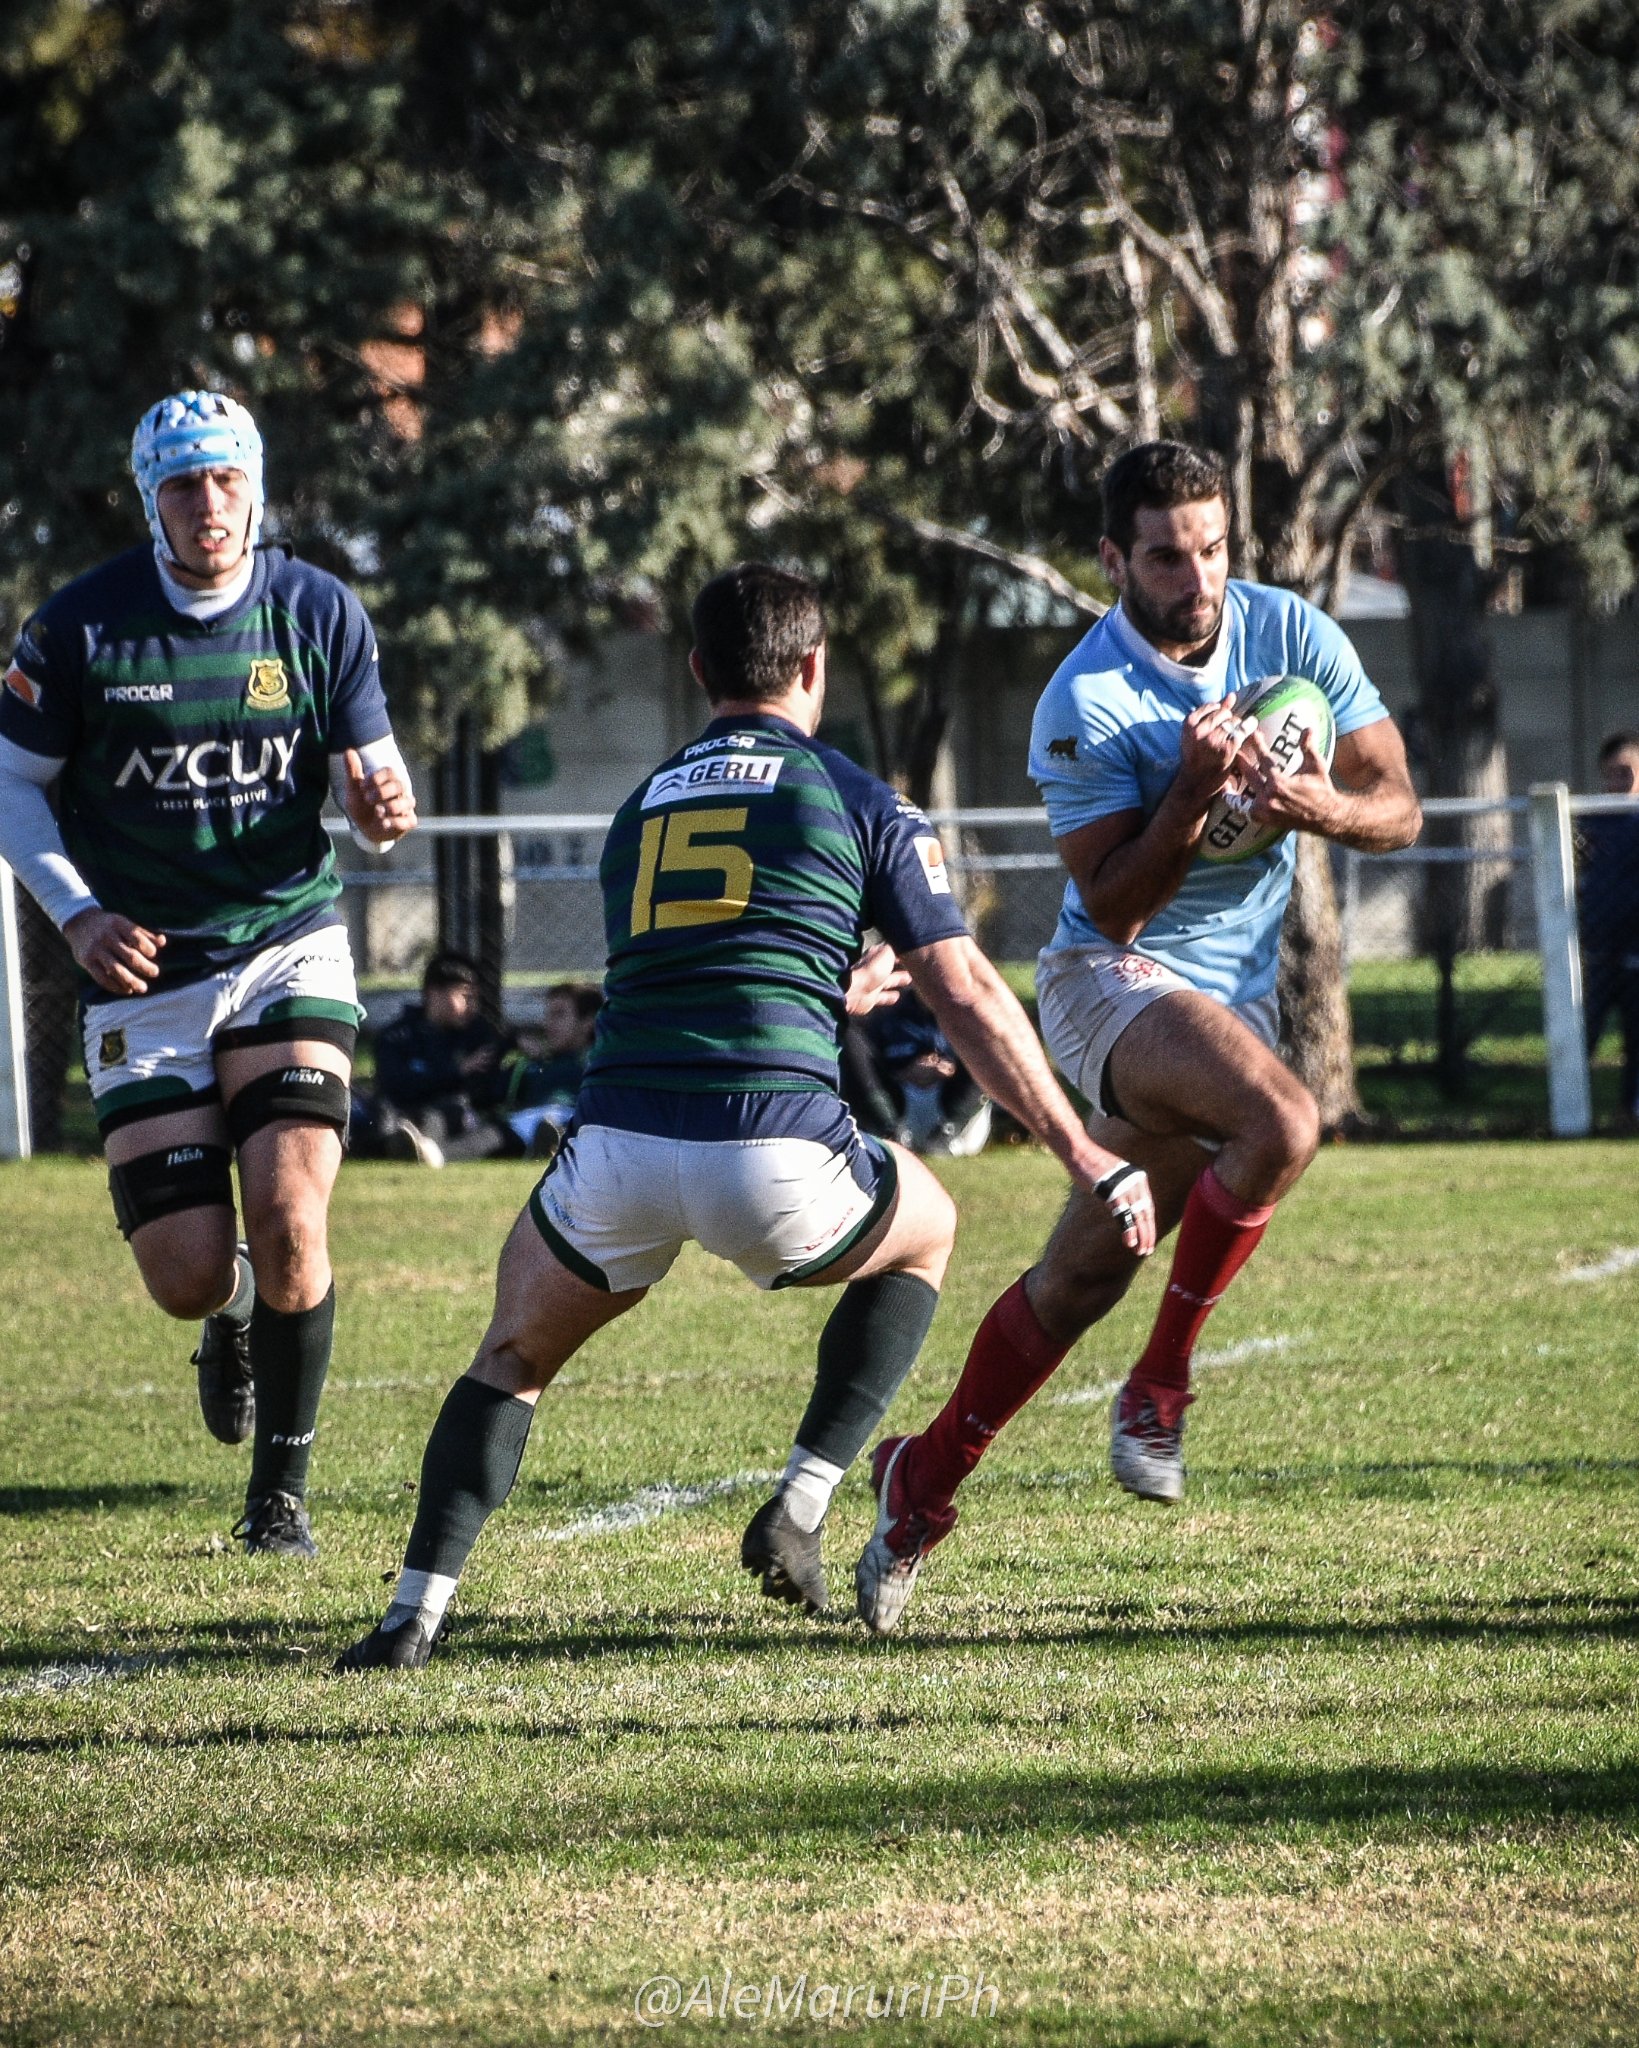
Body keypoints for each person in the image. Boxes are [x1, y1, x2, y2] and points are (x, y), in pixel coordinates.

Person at [335, 562, 1154, 1671]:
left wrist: (825, 989)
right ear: (814, 666)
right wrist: (1083, 1150)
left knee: (511, 1353)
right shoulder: (859, 797)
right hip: (773, 1154)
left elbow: (699, 971)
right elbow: (961, 988)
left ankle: (409, 1616)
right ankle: (805, 1503)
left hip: (615, 1143)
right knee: (929, 1222)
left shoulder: (645, 801)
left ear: (696, 670)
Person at [852, 439, 1421, 1634]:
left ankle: (922, 1482)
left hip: (1226, 1005)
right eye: (1165, 555)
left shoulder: (1293, 636)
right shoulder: (1085, 697)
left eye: (1211, 548)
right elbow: (1111, 901)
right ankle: (1158, 1390)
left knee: (1079, 1276)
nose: (1196, 575)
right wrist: (1189, 793)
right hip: (1104, 979)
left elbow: (1397, 803)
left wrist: (1317, 805)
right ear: (1114, 558)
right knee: (1284, 1118)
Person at [0, 390, 417, 1556]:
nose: (209, 503)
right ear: (151, 500)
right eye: (183, 483)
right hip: (146, 970)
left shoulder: (316, 608)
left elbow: (371, 782)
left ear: (257, 484)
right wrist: (76, 916)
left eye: (227, 478)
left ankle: (277, 1497)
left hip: (287, 940)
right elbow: (11, 778)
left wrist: (382, 807)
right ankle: (228, 1316)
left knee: (290, 1217)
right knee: (186, 1273)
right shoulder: (81, 626)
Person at [356, 949, 521, 1165]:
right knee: (380, 1116)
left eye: (474, 998)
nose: (472, 1006)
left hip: (451, 1118)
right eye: (464, 996)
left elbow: (485, 1089)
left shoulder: (478, 1035)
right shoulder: (397, 1036)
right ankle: (397, 1143)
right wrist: (456, 1072)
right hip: (402, 1112)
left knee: (450, 1112)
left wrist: (515, 1043)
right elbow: (394, 1083)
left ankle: (410, 1147)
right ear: (434, 993)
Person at [841, 988, 991, 1156]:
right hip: (899, 1107)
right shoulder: (888, 1010)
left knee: (987, 1044)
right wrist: (906, 1073)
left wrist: (950, 1069)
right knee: (850, 1036)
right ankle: (890, 1132)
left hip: (956, 1115)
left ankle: (948, 1134)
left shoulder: (968, 1014)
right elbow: (867, 1061)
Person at [1579, 731, 1639, 1125]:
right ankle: (1571, 1108)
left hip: (1636, 947)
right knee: (1583, 1030)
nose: (1619, 783)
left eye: (1628, 772)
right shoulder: (1592, 820)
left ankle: (1628, 1111)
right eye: (1612, 774)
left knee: (1637, 1034)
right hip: (1598, 948)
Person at [500, 980, 602, 1156]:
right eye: (548, 1015)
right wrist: (510, 1043)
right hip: (521, 1126)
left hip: (574, 1123)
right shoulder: (531, 1064)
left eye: (559, 1015)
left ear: (588, 1022)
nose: (549, 1023)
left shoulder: (597, 1064)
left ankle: (551, 1141)